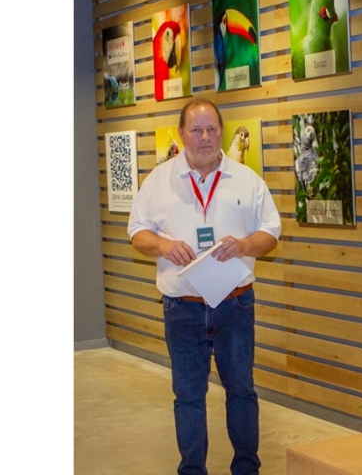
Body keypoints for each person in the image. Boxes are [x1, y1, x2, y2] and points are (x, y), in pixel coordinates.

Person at [128, 98, 281, 475]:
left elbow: (272, 233)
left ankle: (247, 469)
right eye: (196, 130)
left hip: (235, 306)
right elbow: (136, 234)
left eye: (212, 129)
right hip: (183, 309)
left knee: (242, 392)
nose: (205, 137)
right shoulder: (158, 181)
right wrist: (163, 245)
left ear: (222, 132)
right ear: (181, 134)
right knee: (189, 397)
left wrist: (245, 246)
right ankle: (192, 470)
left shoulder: (247, 179)